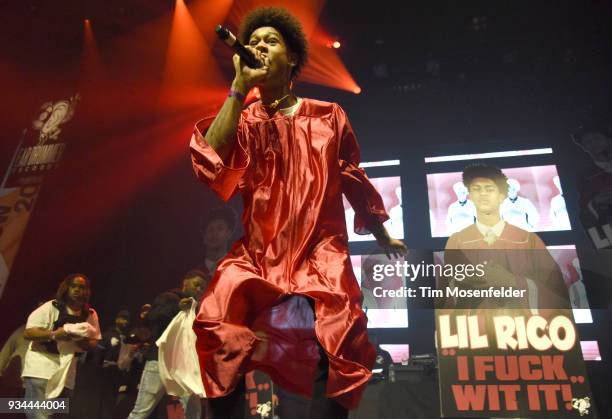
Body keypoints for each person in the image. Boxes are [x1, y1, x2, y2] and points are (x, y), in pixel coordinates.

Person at [189, 7, 407, 418]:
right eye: (253, 43)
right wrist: (237, 90)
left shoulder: (329, 116)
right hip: (257, 253)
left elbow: (351, 177)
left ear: (291, 59)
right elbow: (211, 162)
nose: (258, 47)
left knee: (339, 336)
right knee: (218, 322)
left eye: (269, 41)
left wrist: (382, 233)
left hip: (319, 252)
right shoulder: (245, 118)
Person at [443, 164, 569, 309]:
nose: (483, 195)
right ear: (470, 196)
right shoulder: (457, 242)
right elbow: (447, 300)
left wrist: (513, 282)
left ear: (502, 196)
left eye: (489, 189)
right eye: (477, 189)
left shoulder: (529, 241)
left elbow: (556, 292)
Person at [127, 271, 206, 419]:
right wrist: (177, 307)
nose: (199, 290)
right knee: (141, 412)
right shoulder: (169, 297)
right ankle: (65, 408)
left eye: (203, 288)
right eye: (196, 285)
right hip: (159, 360)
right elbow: (152, 316)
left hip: (184, 366)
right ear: (185, 282)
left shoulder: (199, 310)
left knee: (193, 413)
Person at [21, 274, 101, 419]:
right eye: (73, 286)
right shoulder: (51, 307)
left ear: (87, 291)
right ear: (66, 288)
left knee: (56, 416)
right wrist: (54, 335)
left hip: (67, 374)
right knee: (38, 415)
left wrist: (78, 339)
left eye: (81, 287)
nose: (77, 290)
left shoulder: (90, 314)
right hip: (42, 369)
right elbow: (28, 332)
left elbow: (94, 342)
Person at [199, 206, 237, 278]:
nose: (214, 233)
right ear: (204, 238)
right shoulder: (194, 275)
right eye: (210, 230)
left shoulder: (238, 270)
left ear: (229, 233)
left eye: (220, 228)